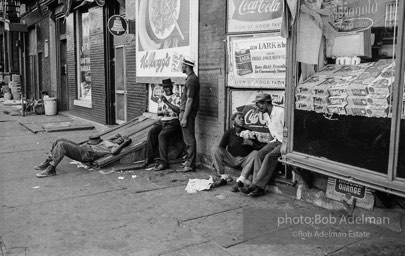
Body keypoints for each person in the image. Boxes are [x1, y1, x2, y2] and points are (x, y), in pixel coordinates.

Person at [240, 94, 284, 197]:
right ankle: (258, 186)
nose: (258, 108)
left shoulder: (280, 112)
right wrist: (268, 145)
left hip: (285, 143)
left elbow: (290, 130)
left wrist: (285, 145)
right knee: (259, 154)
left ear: (265, 104)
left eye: (259, 105)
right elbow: (271, 131)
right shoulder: (265, 114)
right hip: (276, 141)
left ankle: (256, 186)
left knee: (269, 157)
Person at [35, 134, 132, 178]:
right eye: (119, 138)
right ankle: (48, 161)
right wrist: (114, 137)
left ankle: (51, 168)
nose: (119, 140)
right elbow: (100, 139)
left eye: (121, 140)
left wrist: (124, 143)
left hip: (87, 154)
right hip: (83, 148)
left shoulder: (114, 146)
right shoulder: (108, 141)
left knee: (62, 145)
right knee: (59, 139)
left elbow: (115, 152)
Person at [210, 112, 263, 188]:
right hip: (231, 159)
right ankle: (222, 177)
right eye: (239, 118)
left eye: (243, 118)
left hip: (245, 160)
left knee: (255, 153)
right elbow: (220, 148)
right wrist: (215, 162)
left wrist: (251, 143)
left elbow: (260, 149)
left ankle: (241, 180)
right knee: (215, 148)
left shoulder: (250, 133)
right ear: (233, 121)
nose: (242, 119)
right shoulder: (229, 132)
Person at [143, 78, 181, 171]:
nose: (167, 89)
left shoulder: (177, 97)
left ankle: (164, 162)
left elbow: (178, 111)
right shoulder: (161, 98)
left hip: (173, 122)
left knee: (162, 136)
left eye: (168, 87)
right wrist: (161, 112)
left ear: (172, 87)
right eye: (165, 87)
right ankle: (149, 157)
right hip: (163, 121)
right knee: (152, 132)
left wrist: (167, 103)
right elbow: (160, 113)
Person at [176, 56, 200, 172]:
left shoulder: (192, 80)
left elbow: (190, 100)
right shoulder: (191, 78)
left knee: (189, 140)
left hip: (188, 114)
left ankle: (190, 165)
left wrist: (184, 117)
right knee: (187, 139)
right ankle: (189, 162)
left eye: (182, 65)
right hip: (185, 113)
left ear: (186, 66)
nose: (181, 67)